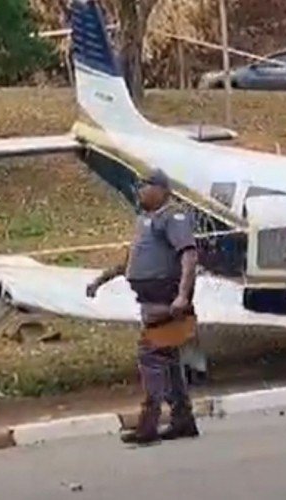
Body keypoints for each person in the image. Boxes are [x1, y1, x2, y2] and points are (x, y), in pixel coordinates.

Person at [86, 168, 200, 445]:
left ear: (162, 189)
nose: (140, 191)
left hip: (167, 302)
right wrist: (101, 280)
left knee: (150, 357)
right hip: (151, 302)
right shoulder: (146, 220)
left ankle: (148, 425)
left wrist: (182, 296)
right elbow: (130, 261)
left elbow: (189, 256)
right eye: (139, 186)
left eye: (146, 185)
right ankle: (183, 419)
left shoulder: (173, 217)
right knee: (168, 360)